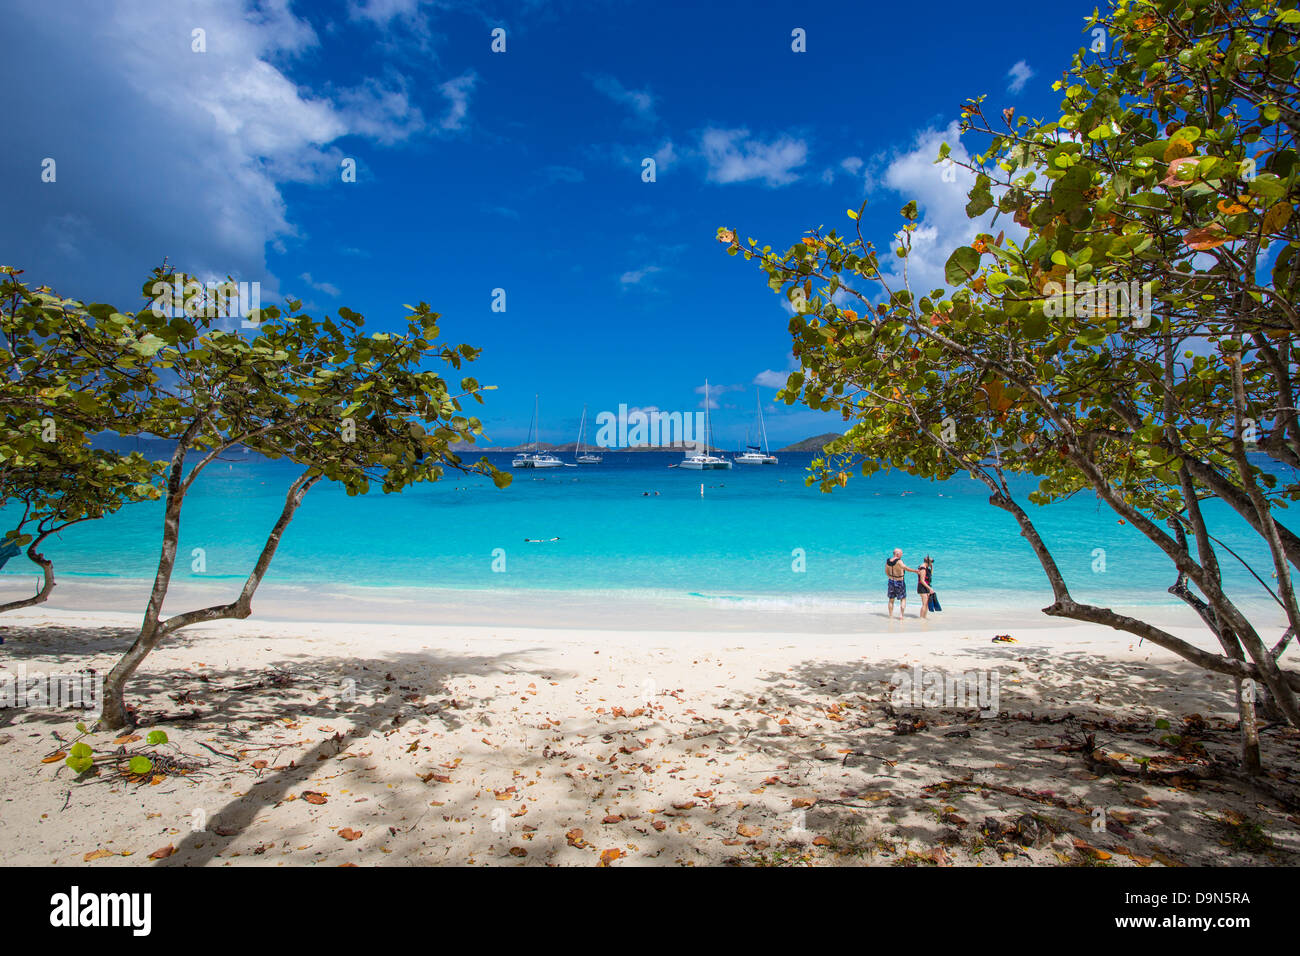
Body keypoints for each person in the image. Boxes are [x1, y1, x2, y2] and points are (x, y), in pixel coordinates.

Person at [885, 548, 919, 619]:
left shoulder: (888, 561)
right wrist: (915, 571)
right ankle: (901, 615)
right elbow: (905, 568)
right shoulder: (899, 561)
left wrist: (891, 577)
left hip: (891, 581)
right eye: (901, 553)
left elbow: (886, 572)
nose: (902, 554)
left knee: (891, 599)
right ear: (897, 554)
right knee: (903, 598)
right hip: (899, 581)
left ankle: (891, 616)